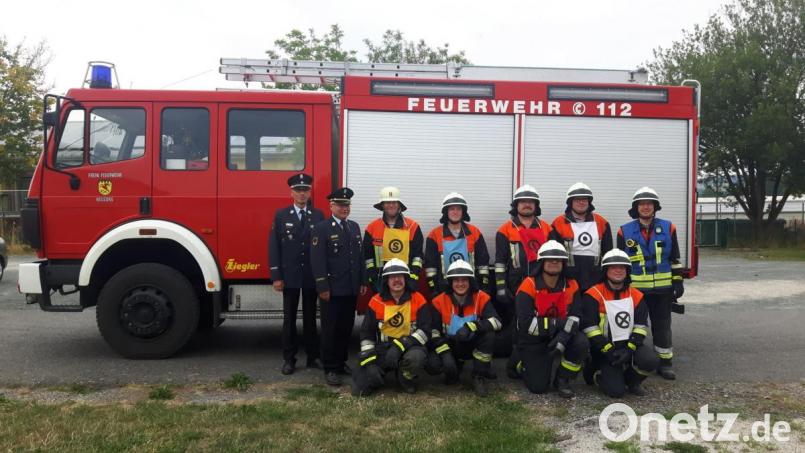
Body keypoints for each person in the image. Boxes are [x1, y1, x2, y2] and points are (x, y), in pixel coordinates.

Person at [617, 187, 684, 380]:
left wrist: (677, 282)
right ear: (636, 207)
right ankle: (632, 360)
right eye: (642, 204)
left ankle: (665, 363)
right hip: (636, 291)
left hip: (663, 290)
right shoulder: (624, 231)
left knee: (662, 326)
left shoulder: (669, 227)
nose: (645, 207)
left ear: (655, 207)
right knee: (633, 327)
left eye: (649, 204)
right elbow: (621, 263)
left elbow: (674, 258)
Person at [511, 241, 587, 397]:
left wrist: (563, 336)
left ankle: (562, 379)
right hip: (533, 338)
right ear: (541, 262)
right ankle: (518, 361)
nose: (554, 262)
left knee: (581, 342)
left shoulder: (572, 284)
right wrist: (560, 324)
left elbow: (576, 316)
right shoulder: (528, 285)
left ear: (564, 263)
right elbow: (527, 325)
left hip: (560, 333)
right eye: (550, 259)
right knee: (538, 387)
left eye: (558, 259)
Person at [580, 249, 658, 398]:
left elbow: (640, 326)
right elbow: (589, 327)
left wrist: (629, 349)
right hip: (602, 349)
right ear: (605, 270)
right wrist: (607, 349)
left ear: (627, 271)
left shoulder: (636, 295)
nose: (618, 270)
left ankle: (632, 381)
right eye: (613, 267)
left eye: (622, 267)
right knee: (616, 392)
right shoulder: (593, 294)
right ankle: (595, 371)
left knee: (651, 361)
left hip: (628, 347)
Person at [310, 187, 367, 386]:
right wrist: (322, 287)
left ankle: (341, 362)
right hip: (332, 290)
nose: (345, 208)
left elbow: (358, 258)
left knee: (346, 328)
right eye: (341, 204)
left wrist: (361, 281)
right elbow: (317, 261)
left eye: (347, 205)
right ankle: (330, 367)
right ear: (331, 205)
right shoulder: (321, 228)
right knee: (330, 329)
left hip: (350, 288)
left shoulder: (353, 227)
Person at [269, 173, 324, 375]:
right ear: (291, 192)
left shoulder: (318, 216)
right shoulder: (281, 215)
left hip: (311, 275)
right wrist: (276, 276)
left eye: (306, 190)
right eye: (298, 190)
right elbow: (274, 246)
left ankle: (313, 357)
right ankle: (289, 359)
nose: (302, 193)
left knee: (311, 319)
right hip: (290, 275)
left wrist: (322, 277)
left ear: (310, 192)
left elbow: (321, 249)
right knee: (289, 319)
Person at [353, 259, 432, 396]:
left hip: (410, 347)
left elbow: (425, 331)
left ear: (406, 279)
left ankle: (405, 377)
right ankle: (378, 375)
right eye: (392, 277)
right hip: (383, 348)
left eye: (400, 276)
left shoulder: (418, 299)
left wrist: (400, 345)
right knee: (361, 388)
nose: (397, 280)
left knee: (416, 357)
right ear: (386, 281)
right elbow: (367, 334)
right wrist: (370, 362)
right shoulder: (376, 301)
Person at [429, 260, 503, 396]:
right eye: (456, 280)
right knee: (433, 365)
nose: (460, 284)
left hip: (473, 344)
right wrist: (445, 354)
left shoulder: (481, 297)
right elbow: (434, 332)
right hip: (450, 345)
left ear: (470, 282)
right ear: (450, 282)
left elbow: (497, 322)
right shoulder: (438, 301)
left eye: (464, 280)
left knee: (489, 335)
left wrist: (472, 326)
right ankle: (455, 366)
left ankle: (479, 375)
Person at [494, 184, 552, 356]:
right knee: (518, 321)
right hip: (515, 285)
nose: (527, 205)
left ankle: (539, 353)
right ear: (516, 205)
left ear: (536, 205)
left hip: (542, 284)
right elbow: (500, 262)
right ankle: (517, 355)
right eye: (523, 202)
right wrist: (501, 288)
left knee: (541, 319)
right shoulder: (505, 229)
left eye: (531, 202)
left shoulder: (547, 229)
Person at [551, 182, 613, 292]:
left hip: (596, 281)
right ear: (570, 202)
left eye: (584, 199)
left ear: (589, 202)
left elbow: (608, 253)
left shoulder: (601, 222)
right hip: (568, 281)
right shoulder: (558, 223)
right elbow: (554, 257)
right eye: (577, 199)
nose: (581, 202)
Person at [424, 192, 490, 295]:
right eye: (452, 209)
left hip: (471, 287)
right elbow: (430, 267)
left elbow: (483, 263)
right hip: (444, 289)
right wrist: (433, 289)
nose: (455, 212)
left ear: (463, 212)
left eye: (459, 209)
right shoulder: (434, 235)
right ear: (446, 212)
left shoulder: (474, 233)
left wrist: (484, 286)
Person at [362, 186, 424, 293]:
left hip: (406, 281)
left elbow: (417, 257)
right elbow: (368, 258)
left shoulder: (412, 227)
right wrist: (373, 279)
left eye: (394, 202)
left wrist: (413, 278)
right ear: (382, 205)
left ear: (399, 205)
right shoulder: (372, 228)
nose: (391, 205)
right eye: (387, 202)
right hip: (380, 283)